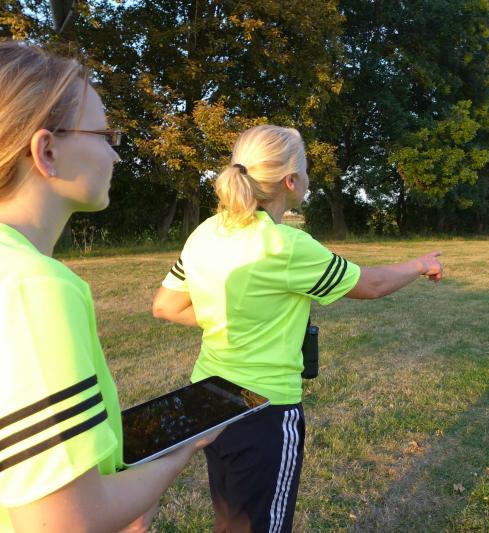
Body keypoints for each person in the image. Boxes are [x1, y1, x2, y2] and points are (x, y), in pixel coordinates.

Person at [152, 124, 444, 532]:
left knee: (231, 518)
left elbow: (166, 306)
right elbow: (372, 285)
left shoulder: (207, 231)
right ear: (291, 181)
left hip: (209, 400)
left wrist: (235, 318)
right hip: (264, 410)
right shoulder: (285, 245)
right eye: (306, 170)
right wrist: (420, 264)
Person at [0, 41, 216, 532]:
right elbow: (66, 522)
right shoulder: (32, 288)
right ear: (47, 151)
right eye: (104, 134)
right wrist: (176, 454)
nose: (115, 155)